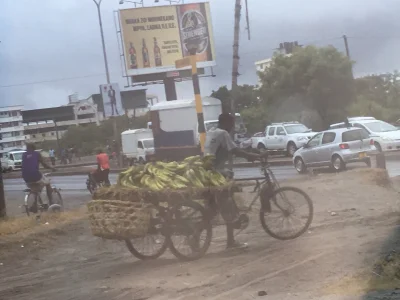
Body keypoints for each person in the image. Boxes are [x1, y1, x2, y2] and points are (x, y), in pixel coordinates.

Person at [204, 113, 265, 250]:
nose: (232, 127)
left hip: (208, 173)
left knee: (213, 208)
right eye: (231, 124)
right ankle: (230, 241)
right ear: (227, 123)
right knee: (228, 205)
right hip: (217, 174)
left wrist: (249, 154)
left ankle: (197, 236)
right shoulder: (223, 133)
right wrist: (253, 157)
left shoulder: (212, 131)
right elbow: (236, 151)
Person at [22, 143, 56, 209]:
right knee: (47, 183)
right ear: (34, 147)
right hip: (35, 175)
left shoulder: (24, 155)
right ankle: (49, 203)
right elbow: (44, 165)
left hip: (25, 177)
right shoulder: (36, 154)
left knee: (35, 189)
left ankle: (34, 205)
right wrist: (52, 168)